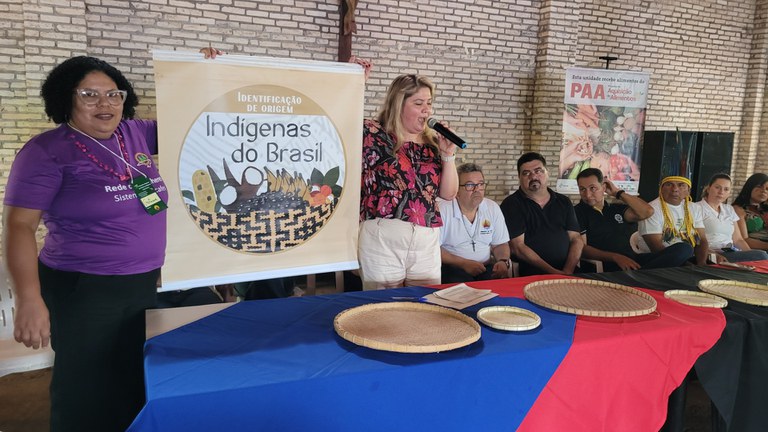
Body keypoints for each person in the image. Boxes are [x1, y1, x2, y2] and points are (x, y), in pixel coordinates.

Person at [2, 56, 168, 431]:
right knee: (85, 390)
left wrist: (204, 71)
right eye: (89, 95)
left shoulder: (135, 133)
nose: (104, 104)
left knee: (131, 378)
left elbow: (195, 119)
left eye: (114, 94)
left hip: (140, 284)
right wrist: (29, 299)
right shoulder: (46, 152)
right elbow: (19, 227)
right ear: (67, 99)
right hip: (83, 289)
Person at [358, 74, 459, 290]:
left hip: (426, 237)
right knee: (385, 308)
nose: (427, 110)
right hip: (383, 235)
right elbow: (340, 120)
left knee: (424, 304)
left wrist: (448, 155)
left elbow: (449, 194)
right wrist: (353, 81)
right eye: (419, 103)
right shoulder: (373, 134)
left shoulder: (433, 143)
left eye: (429, 103)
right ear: (398, 104)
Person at [574, 168, 693, 271]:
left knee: (685, 249)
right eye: (582, 189)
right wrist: (615, 257)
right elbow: (582, 248)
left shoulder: (616, 209)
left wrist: (617, 192)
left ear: (604, 187)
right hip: (608, 263)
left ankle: (642, 276)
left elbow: (648, 212)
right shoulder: (577, 212)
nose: (587, 195)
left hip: (633, 260)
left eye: (593, 188)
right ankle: (644, 276)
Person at [500, 152, 583, 276]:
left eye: (538, 171)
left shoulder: (563, 201)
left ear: (547, 173)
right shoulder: (512, 204)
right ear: (519, 177)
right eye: (526, 173)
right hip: (533, 273)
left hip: (568, 271)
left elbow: (576, 239)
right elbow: (518, 247)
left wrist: (568, 270)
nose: (533, 177)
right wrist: (554, 273)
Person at [439, 163, 511, 283]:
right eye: (470, 185)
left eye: (481, 184)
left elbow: (500, 244)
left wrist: (502, 261)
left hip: (485, 268)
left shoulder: (492, 208)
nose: (477, 189)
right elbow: (433, 248)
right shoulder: (443, 209)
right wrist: (463, 263)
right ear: (456, 190)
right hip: (453, 268)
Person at [638, 176, 710, 265]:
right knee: (685, 249)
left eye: (681, 185)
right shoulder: (651, 209)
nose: (675, 189)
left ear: (688, 191)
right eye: (669, 184)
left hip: (687, 257)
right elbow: (656, 247)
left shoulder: (694, 208)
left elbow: (702, 239)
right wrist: (686, 265)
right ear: (661, 189)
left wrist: (702, 263)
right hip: (656, 259)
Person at [696, 174, 768, 262]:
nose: (721, 192)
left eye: (726, 189)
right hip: (710, 253)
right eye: (717, 187)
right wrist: (709, 253)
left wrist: (750, 256)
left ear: (729, 193)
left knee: (759, 256)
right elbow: (695, 240)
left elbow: (738, 240)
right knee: (762, 255)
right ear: (708, 188)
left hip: (730, 252)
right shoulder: (696, 208)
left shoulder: (728, 209)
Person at [732, 173, 768, 250]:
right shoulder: (738, 209)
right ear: (750, 187)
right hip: (755, 251)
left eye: (767, 189)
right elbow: (743, 240)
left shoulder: (764, 210)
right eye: (759, 187)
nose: (763, 191)